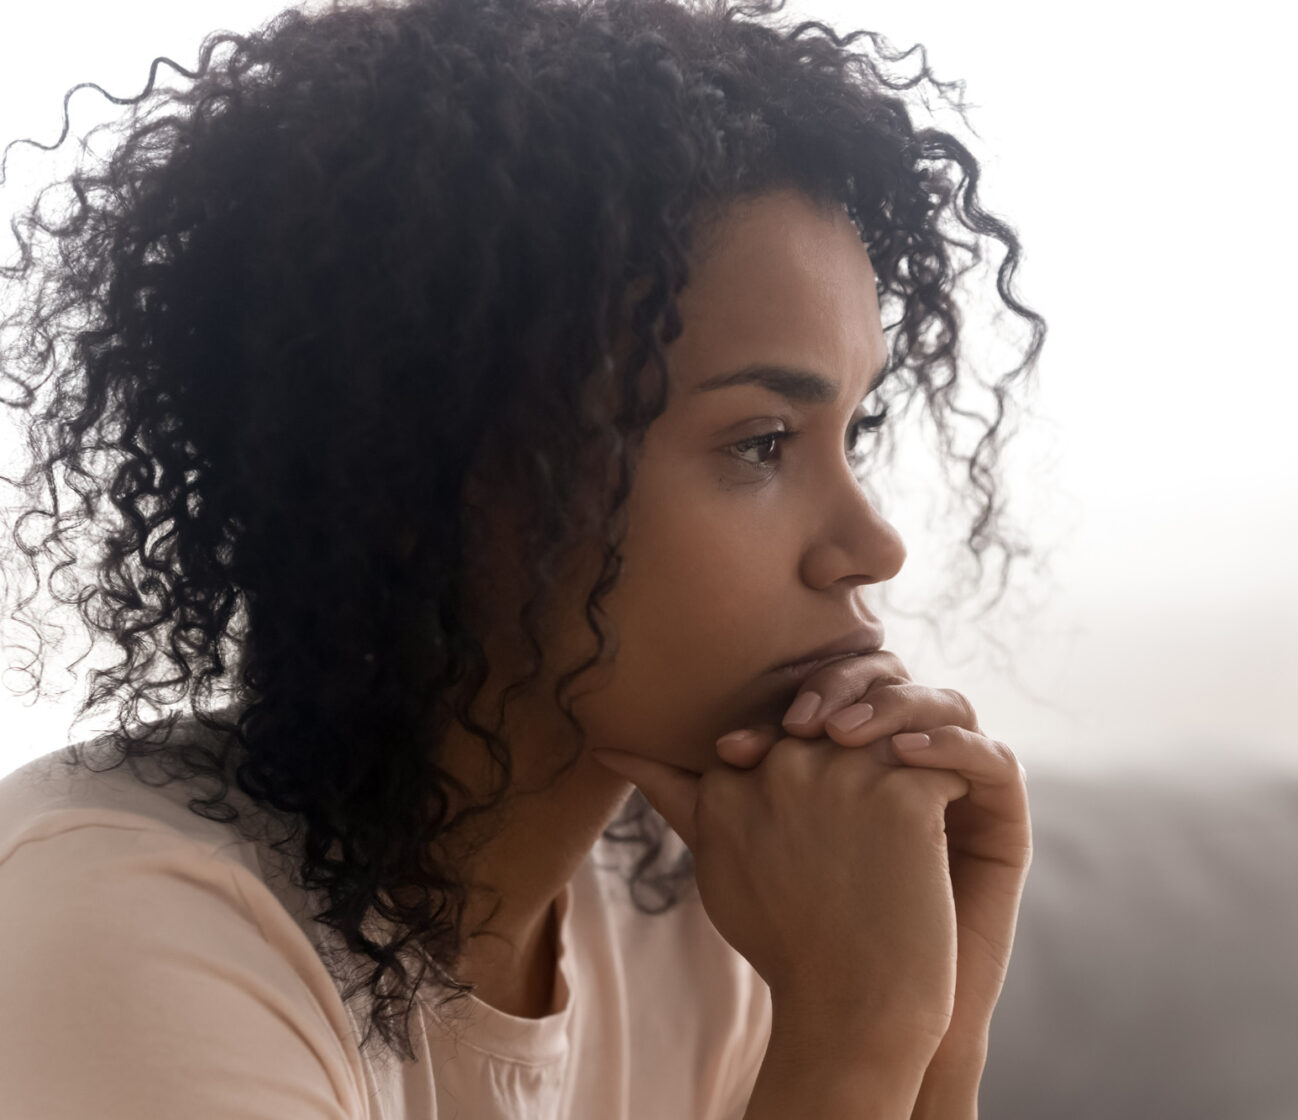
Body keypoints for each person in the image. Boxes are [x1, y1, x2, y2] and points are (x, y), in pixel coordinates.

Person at [0, 0, 1045, 1116]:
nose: (871, 546)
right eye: (762, 442)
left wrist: (939, 1025)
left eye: (853, 434)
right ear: (431, 473)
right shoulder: (123, 929)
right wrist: (855, 1032)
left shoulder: (719, 911)